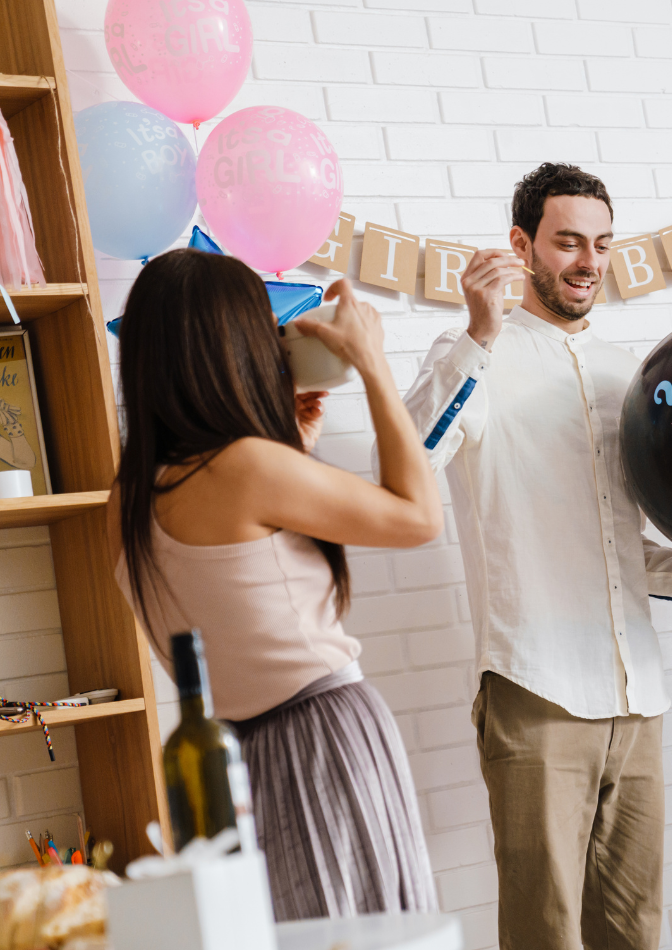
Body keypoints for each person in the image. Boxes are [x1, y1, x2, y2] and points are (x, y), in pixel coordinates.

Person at [396, 162, 672, 950]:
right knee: (545, 933)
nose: (588, 262)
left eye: (601, 244)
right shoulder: (472, 354)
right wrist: (476, 330)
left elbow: (622, 546)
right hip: (534, 689)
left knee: (633, 931)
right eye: (568, 243)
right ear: (519, 245)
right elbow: (410, 460)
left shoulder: (627, 377)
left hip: (638, 696)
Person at [110, 251, 441, 920]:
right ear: (230, 345)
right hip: (323, 733)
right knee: (371, 931)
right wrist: (373, 363)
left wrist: (290, 449)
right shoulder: (247, 467)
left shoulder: (126, 498)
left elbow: (239, 584)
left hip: (236, 757)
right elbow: (419, 516)